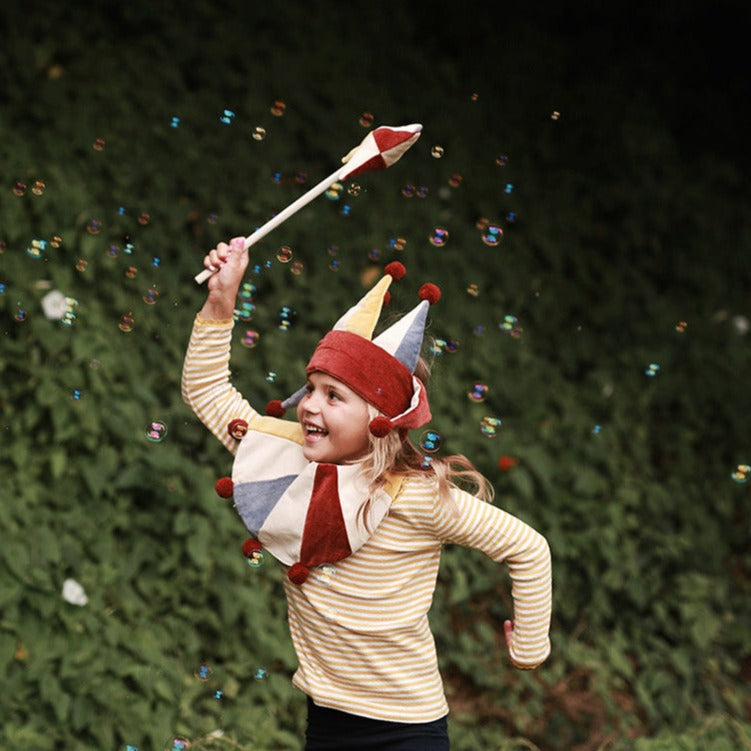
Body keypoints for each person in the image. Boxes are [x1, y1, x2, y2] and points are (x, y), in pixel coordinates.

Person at [182, 237, 552, 750]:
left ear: (381, 420)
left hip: (408, 730)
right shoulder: (280, 456)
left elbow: (527, 548)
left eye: (334, 396)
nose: (310, 406)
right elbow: (206, 390)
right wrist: (221, 301)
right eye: (310, 388)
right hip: (328, 721)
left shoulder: (414, 496)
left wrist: (529, 647)